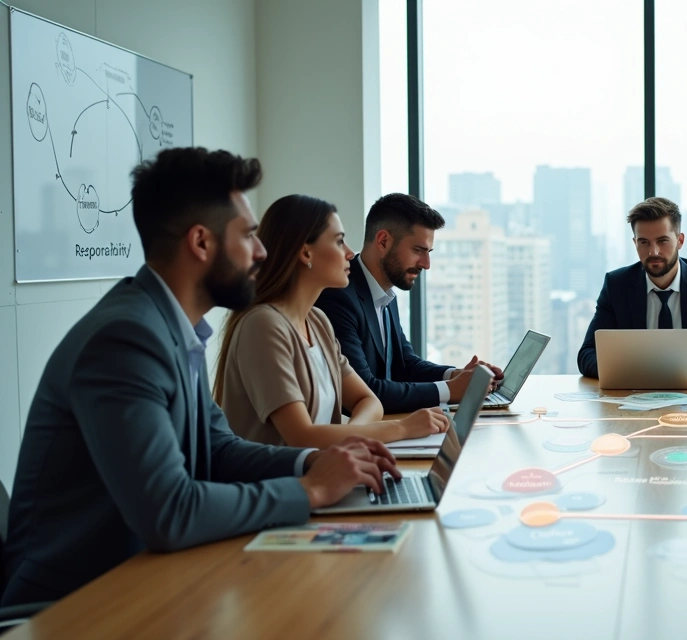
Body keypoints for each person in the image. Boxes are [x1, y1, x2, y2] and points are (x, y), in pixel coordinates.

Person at [1, 149, 400, 607]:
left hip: (144, 583)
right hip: (71, 607)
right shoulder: (126, 339)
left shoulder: (169, 327)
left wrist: (311, 463)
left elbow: (218, 448)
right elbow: (169, 512)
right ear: (201, 243)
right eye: (248, 235)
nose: (263, 252)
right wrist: (308, 490)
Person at [213, 194, 450, 448]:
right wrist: (401, 428)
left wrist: (351, 439)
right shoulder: (263, 325)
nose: (350, 253)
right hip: (279, 484)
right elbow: (301, 437)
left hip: (323, 474)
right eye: (339, 242)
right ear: (306, 252)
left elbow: (369, 401)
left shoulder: (317, 322)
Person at [314, 193, 502, 414]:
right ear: (383, 241)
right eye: (418, 250)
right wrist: (450, 390)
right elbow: (367, 390)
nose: (426, 264)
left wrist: (456, 375)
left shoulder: (384, 292)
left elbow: (405, 363)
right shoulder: (338, 296)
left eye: (428, 252)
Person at [577, 197, 687, 383]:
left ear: (680, 240)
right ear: (635, 243)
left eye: (662, 241)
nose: (653, 252)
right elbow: (587, 355)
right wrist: (634, 371)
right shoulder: (617, 285)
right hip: (633, 397)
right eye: (644, 242)